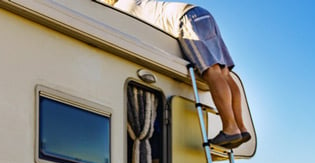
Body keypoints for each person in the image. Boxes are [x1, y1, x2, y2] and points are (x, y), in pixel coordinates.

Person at [99, 0, 250, 149]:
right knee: (224, 74)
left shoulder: (121, 7)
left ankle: (230, 128)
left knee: (211, 71)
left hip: (187, 19)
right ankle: (241, 128)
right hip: (201, 14)